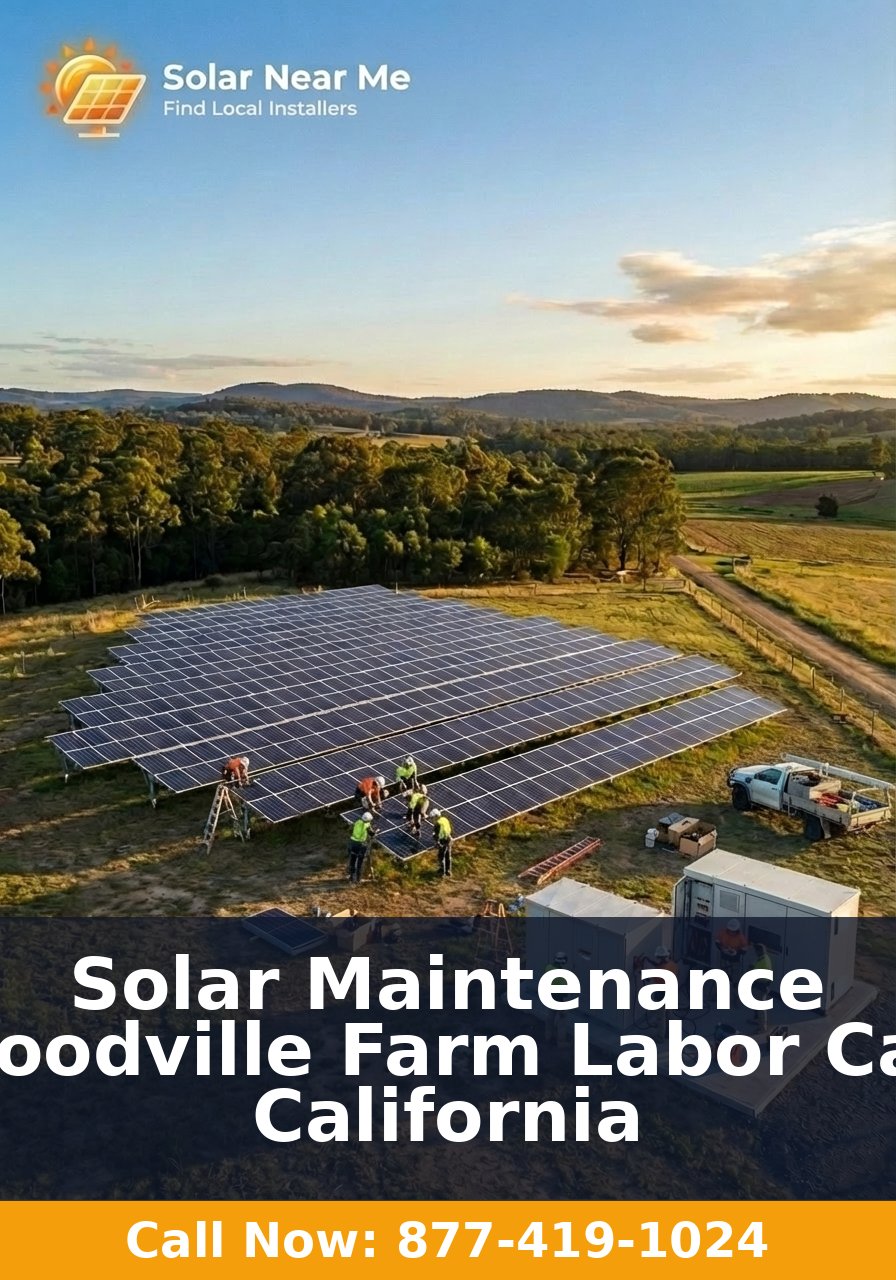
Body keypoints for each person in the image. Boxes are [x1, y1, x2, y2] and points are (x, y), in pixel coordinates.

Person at [347, 812, 374, 884]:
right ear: (368, 820)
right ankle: (358, 879)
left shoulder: (357, 822)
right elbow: (371, 833)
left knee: (352, 860)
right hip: (361, 844)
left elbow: (351, 830)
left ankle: (351, 877)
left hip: (352, 843)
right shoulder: (367, 825)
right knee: (360, 862)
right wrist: (375, 832)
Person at [430, 809, 453, 877]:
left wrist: (437, 843)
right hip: (449, 839)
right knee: (448, 856)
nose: (432, 819)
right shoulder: (444, 819)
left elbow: (436, 835)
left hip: (443, 841)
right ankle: (448, 871)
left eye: (432, 818)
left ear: (436, 816)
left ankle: (442, 872)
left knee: (441, 856)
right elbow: (449, 828)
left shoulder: (437, 824)